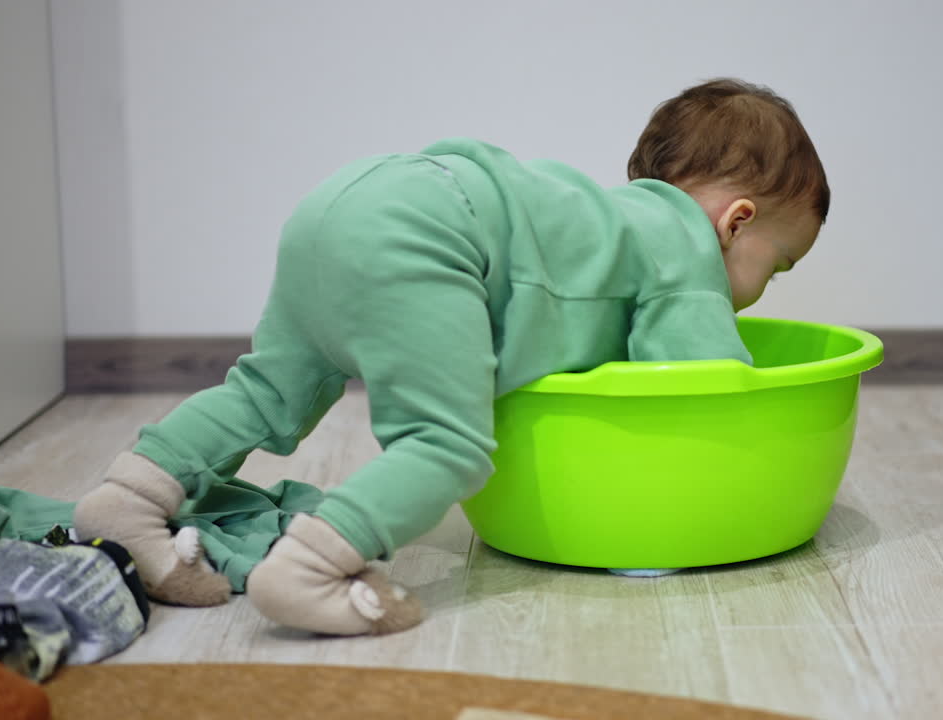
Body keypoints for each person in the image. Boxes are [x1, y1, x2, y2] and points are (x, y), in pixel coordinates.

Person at [73, 78, 831, 636]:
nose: (762, 291)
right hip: (428, 234)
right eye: (779, 266)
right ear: (736, 224)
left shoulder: (607, 224)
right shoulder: (685, 252)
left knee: (271, 389)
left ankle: (129, 499)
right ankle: (309, 569)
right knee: (449, 443)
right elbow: (702, 385)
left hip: (340, 206)